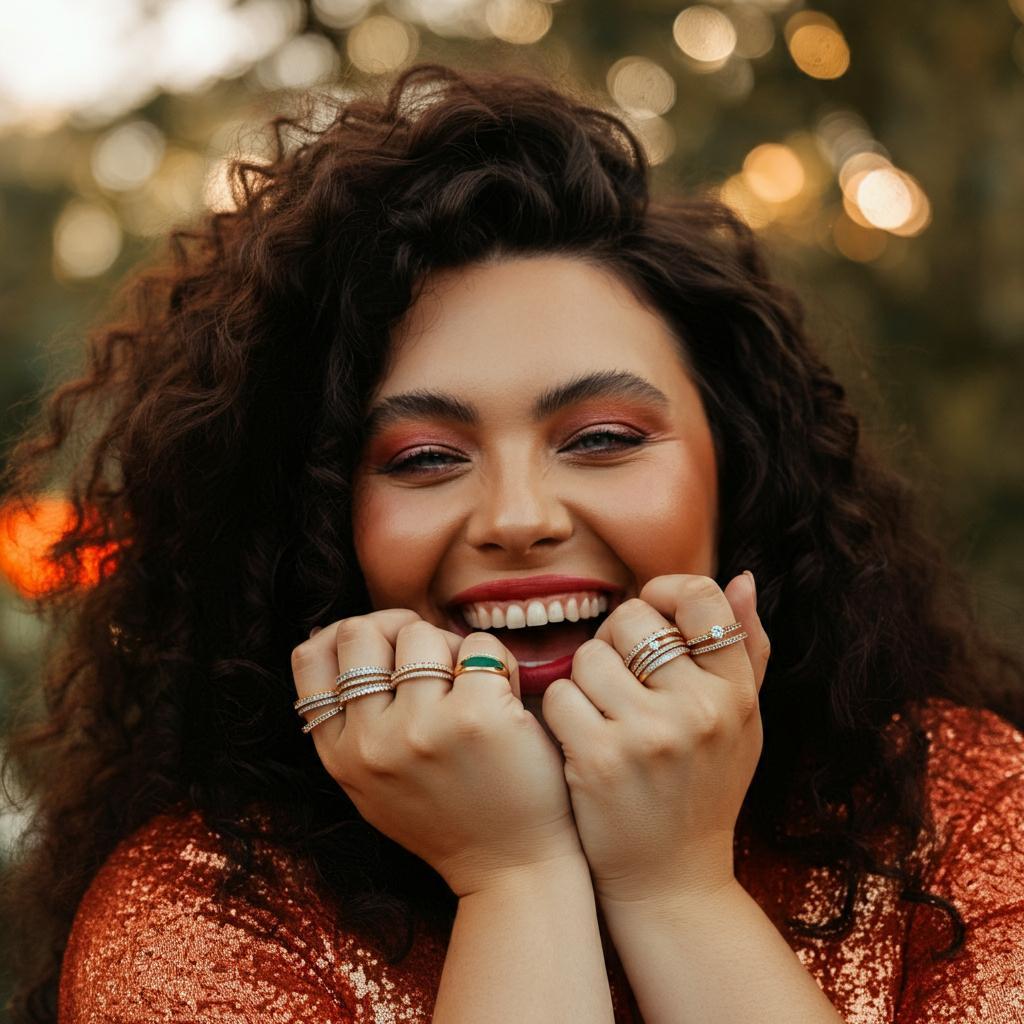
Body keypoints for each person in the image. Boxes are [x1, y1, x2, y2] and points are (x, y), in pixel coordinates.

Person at [1, 61, 1022, 1024]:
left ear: (740, 467)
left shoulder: (967, 804)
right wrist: (516, 876)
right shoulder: (201, 913)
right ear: (319, 520)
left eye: (601, 439)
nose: (517, 516)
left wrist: (677, 884)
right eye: (424, 458)